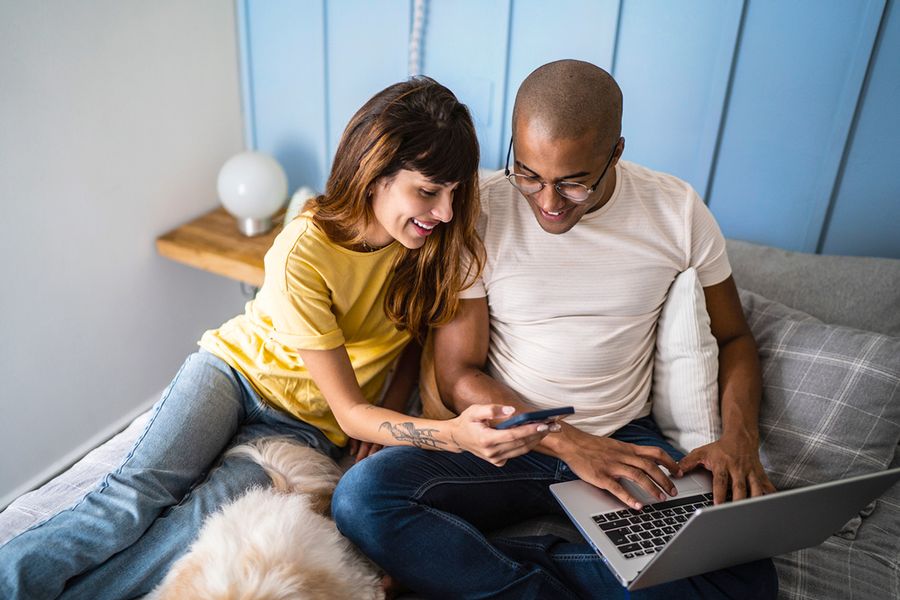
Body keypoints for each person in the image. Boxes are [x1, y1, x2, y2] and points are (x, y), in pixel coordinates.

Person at [0, 77, 551, 600]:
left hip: (303, 429)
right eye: (428, 191)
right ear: (374, 171)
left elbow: (406, 342)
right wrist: (450, 435)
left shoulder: (428, 248)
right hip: (233, 375)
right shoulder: (303, 252)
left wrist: (387, 415)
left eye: (454, 192)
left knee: (192, 523)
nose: (446, 211)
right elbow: (349, 409)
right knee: (132, 498)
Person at [332, 61, 780, 599]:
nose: (547, 203)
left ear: (615, 153)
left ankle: (498, 566)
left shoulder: (676, 211)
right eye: (528, 174)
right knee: (362, 498)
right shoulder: (477, 208)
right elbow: (458, 373)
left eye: (572, 183)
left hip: (624, 444)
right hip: (514, 439)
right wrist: (567, 443)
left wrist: (739, 439)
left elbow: (733, 339)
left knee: (748, 580)